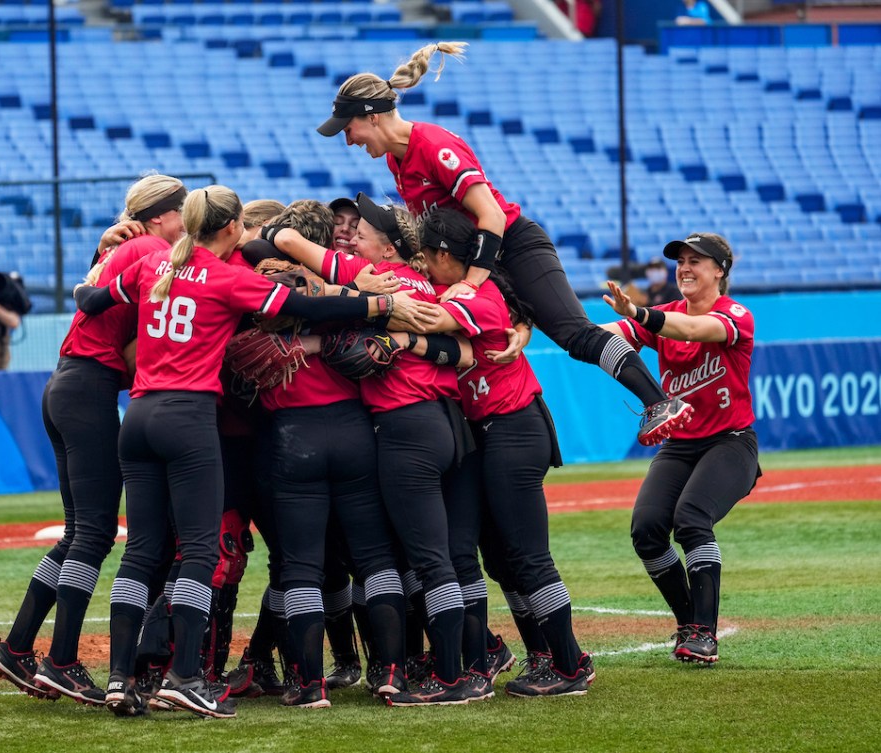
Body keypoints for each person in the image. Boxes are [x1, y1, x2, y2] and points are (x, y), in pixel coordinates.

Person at [72, 186, 433, 718]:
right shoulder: (227, 278)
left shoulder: (153, 267)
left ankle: (121, 680)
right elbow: (304, 305)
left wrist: (97, 265)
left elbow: (89, 300)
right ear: (228, 227)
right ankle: (188, 677)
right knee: (205, 554)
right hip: (194, 419)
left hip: (141, 415)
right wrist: (380, 303)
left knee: (142, 553)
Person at [315, 41, 693, 446]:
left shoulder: (433, 144)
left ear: (370, 117)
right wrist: (514, 313)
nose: (348, 140)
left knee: (574, 335)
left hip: (512, 242)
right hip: (484, 257)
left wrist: (475, 282)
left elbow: (491, 216)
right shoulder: (396, 160)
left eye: (348, 128)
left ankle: (661, 403)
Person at [263, 194, 483, 706]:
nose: (351, 235)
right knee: (387, 557)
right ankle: (398, 667)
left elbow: (280, 241)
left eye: (361, 230)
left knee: (310, 566)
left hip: (372, 428)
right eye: (346, 228)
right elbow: (468, 350)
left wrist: (329, 311)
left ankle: (437, 676)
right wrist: (411, 340)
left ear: (386, 246)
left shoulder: (360, 273)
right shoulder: (424, 283)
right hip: (422, 426)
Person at [0, 175, 186, 707]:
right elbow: (141, 350)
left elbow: (95, 297)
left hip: (65, 383)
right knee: (95, 534)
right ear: (163, 216)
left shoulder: (124, 245)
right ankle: (63, 661)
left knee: (80, 531)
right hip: (90, 387)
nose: (189, 220)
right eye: (183, 210)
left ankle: (19, 647)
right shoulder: (154, 251)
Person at [410, 207, 594, 696]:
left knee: (528, 557)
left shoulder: (475, 296)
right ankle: (540, 656)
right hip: (490, 432)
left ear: (445, 256)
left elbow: (431, 316)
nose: (425, 268)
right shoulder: (467, 291)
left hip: (514, 428)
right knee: (499, 558)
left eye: (428, 259)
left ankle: (571, 665)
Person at [600, 232, 760, 665]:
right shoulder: (664, 314)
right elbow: (602, 334)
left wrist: (636, 312)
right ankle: (690, 622)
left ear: (720, 271)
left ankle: (704, 634)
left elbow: (691, 328)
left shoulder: (735, 314)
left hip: (731, 444)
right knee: (647, 530)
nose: (685, 268)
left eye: (697, 261)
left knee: (691, 519)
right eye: (681, 261)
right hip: (680, 446)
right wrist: (543, 323)